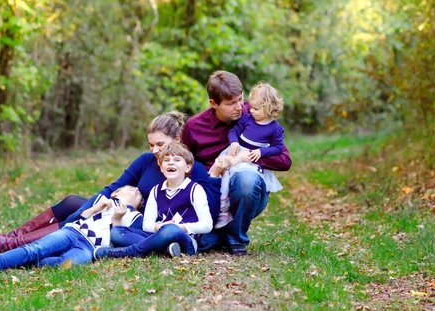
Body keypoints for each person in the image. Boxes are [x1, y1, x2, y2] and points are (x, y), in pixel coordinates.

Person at [0, 112, 222, 253]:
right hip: (117, 211)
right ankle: (10, 238)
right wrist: (94, 205)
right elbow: (114, 186)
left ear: (177, 139)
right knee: (72, 202)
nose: (156, 150)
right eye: (151, 144)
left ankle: (8, 245)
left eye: (161, 144)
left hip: (135, 226)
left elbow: (207, 206)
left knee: (76, 216)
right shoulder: (147, 161)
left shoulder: (189, 167)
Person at [181, 71, 292, 255]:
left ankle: (236, 237)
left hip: (248, 193)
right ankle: (221, 234)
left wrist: (244, 156)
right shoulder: (194, 127)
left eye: (240, 99)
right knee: (201, 244)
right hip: (211, 195)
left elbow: (284, 160)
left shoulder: (256, 112)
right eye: (231, 103)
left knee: (246, 179)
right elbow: (184, 166)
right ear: (213, 103)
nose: (239, 107)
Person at [0, 186, 143, 271]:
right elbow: (75, 218)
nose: (136, 189)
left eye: (139, 195)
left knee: (66, 265)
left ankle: (24, 262)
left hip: (89, 247)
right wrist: (95, 209)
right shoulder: (102, 200)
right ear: (115, 193)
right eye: (130, 188)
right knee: (35, 248)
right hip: (72, 231)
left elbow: (120, 239)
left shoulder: (135, 217)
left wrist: (117, 219)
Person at [94, 143, 213, 259]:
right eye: (166, 160)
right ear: (161, 167)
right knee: (117, 232)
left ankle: (126, 252)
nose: (171, 162)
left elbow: (207, 225)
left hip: (186, 239)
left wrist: (180, 227)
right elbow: (147, 225)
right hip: (160, 234)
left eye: (177, 160)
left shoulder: (195, 189)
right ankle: (166, 250)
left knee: (171, 230)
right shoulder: (156, 191)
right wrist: (160, 226)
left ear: (188, 167)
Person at [215, 83, 285, 228]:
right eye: (251, 107)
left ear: (269, 108)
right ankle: (222, 207)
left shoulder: (276, 129)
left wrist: (261, 152)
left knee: (247, 182)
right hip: (237, 151)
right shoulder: (247, 119)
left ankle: (235, 218)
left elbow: (278, 148)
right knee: (224, 174)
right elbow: (233, 131)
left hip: (253, 160)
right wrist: (233, 142)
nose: (250, 110)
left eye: (256, 108)